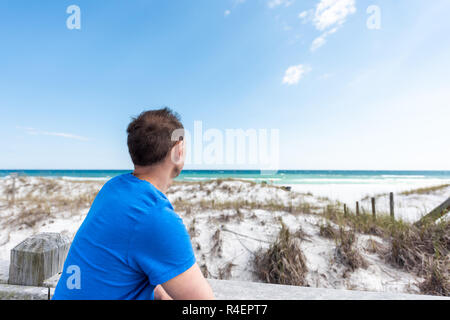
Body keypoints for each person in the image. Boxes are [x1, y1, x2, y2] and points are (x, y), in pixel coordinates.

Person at [53, 108, 214, 300]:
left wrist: (160, 295)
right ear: (178, 151)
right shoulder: (156, 218)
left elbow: (116, 270)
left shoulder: (113, 189)